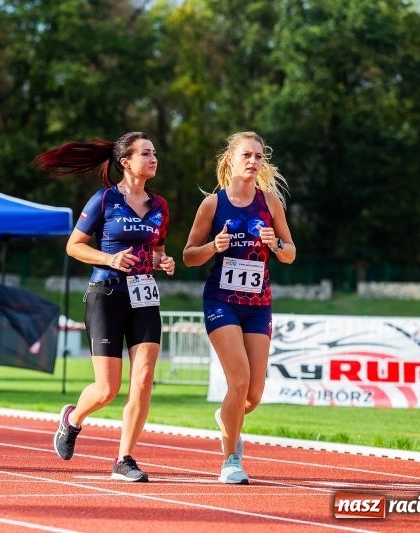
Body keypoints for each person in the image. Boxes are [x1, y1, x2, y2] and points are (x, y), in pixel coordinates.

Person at [33, 132, 175, 482]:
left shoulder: (160, 206)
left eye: (154, 152)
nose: (153, 158)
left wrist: (162, 261)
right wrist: (110, 258)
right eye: (145, 153)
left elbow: (156, 250)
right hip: (106, 294)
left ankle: (124, 458)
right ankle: (72, 419)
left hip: (143, 297)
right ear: (126, 161)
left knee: (143, 380)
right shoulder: (104, 199)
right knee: (107, 389)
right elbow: (74, 247)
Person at [182, 131, 295, 484]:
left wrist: (275, 243)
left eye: (259, 156)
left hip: (258, 306)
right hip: (222, 301)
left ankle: (227, 418)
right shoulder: (213, 205)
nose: (253, 161)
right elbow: (188, 256)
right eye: (247, 155)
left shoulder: (270, 202)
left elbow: (290, 254)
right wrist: (214, 247)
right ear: (230, 159)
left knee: (253, 394)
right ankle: (230, 459)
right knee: (239, 380)